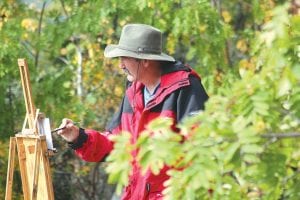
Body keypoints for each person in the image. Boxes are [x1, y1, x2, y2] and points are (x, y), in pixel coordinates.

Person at [58, 24, 208, 200]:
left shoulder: (185, 89)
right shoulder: (134, 92)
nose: (120, 65)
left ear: (144, 60)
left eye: (125, 58)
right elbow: (116, 145)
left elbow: (203, 153)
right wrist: (79, 138)